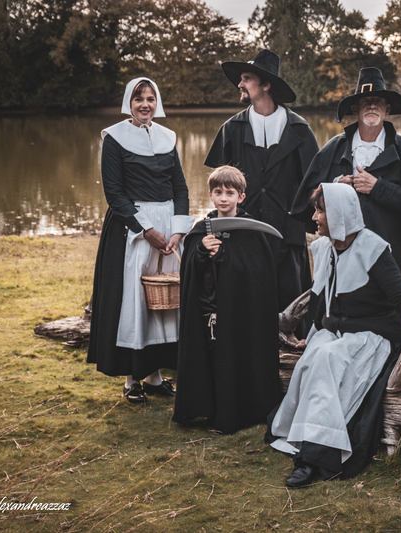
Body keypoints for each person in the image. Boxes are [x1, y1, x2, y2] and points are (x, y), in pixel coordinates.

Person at [267, 183, 401, 488]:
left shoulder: (373, 249)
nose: (314, 217)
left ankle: (312, 457)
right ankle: (303, 437)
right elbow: (320, 302)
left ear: (340, 215)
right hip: (337, 333)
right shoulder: (325, 247)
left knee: (327, 357)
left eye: (320, 210)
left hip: (371, 337)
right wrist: (312, 334)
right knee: (315, 353)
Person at [87, 77, 194, 404]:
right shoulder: (115, 138)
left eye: (150, 98)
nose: (145, 104)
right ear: (128, 103)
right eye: (139, 99)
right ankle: (132, 380)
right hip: (132, 229)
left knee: (165, 305)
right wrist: (147, 230)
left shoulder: (167, 137)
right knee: (136, 303)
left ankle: (155, 376)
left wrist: (177, 230)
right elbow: (114, 194)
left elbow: (180, 189)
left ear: (156, 102)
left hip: (168, 230)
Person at [204, 50, 319, 326]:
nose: (240, 85)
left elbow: (313, 185)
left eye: (246, 79)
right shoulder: (231, 129)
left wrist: (297, 220)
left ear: (266, 85)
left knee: (292, 307)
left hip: (288, 239)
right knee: (244, 304)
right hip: (243, 234)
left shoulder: (299, 130)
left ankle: (293, 364)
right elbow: (220, 185)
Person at [290, 67, 401, 273]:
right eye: (365, 102)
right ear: (355, 110)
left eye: (378, 101)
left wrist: (378, 187)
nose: (372, 105)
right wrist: (334, 189)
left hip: (386, 250)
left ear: (387, 110)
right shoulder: (334, 148)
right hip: (341, 250)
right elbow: (307, 200)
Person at [172, 166, 281, 435]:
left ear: (241, 197)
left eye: (230, 193)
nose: (223, 198)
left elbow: (258, 275)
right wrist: (200, 251)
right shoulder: (200, 230)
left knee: (233, 360)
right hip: (207, 309)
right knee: (209, 361)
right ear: (210, 195)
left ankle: (233, 414)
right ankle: (207, 409)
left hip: (240, 313)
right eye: (218, 192)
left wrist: (224, 258)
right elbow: (188, 271)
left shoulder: (252, 232)